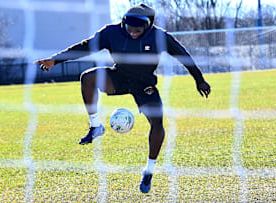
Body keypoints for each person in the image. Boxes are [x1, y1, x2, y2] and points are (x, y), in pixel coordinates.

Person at [34, 3, 211, 194]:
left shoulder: (160, 37)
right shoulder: (111, 33)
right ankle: (95, 126)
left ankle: (149, 170)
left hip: (144, 84)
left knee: (157, 122)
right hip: (119, 77)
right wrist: (55, 60)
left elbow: (183, 55)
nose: (133, 33)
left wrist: (199, 79)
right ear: (123, 23)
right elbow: (85, 47)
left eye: (138, 30)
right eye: (129, 29)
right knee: (88, 77)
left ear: (148, 26)